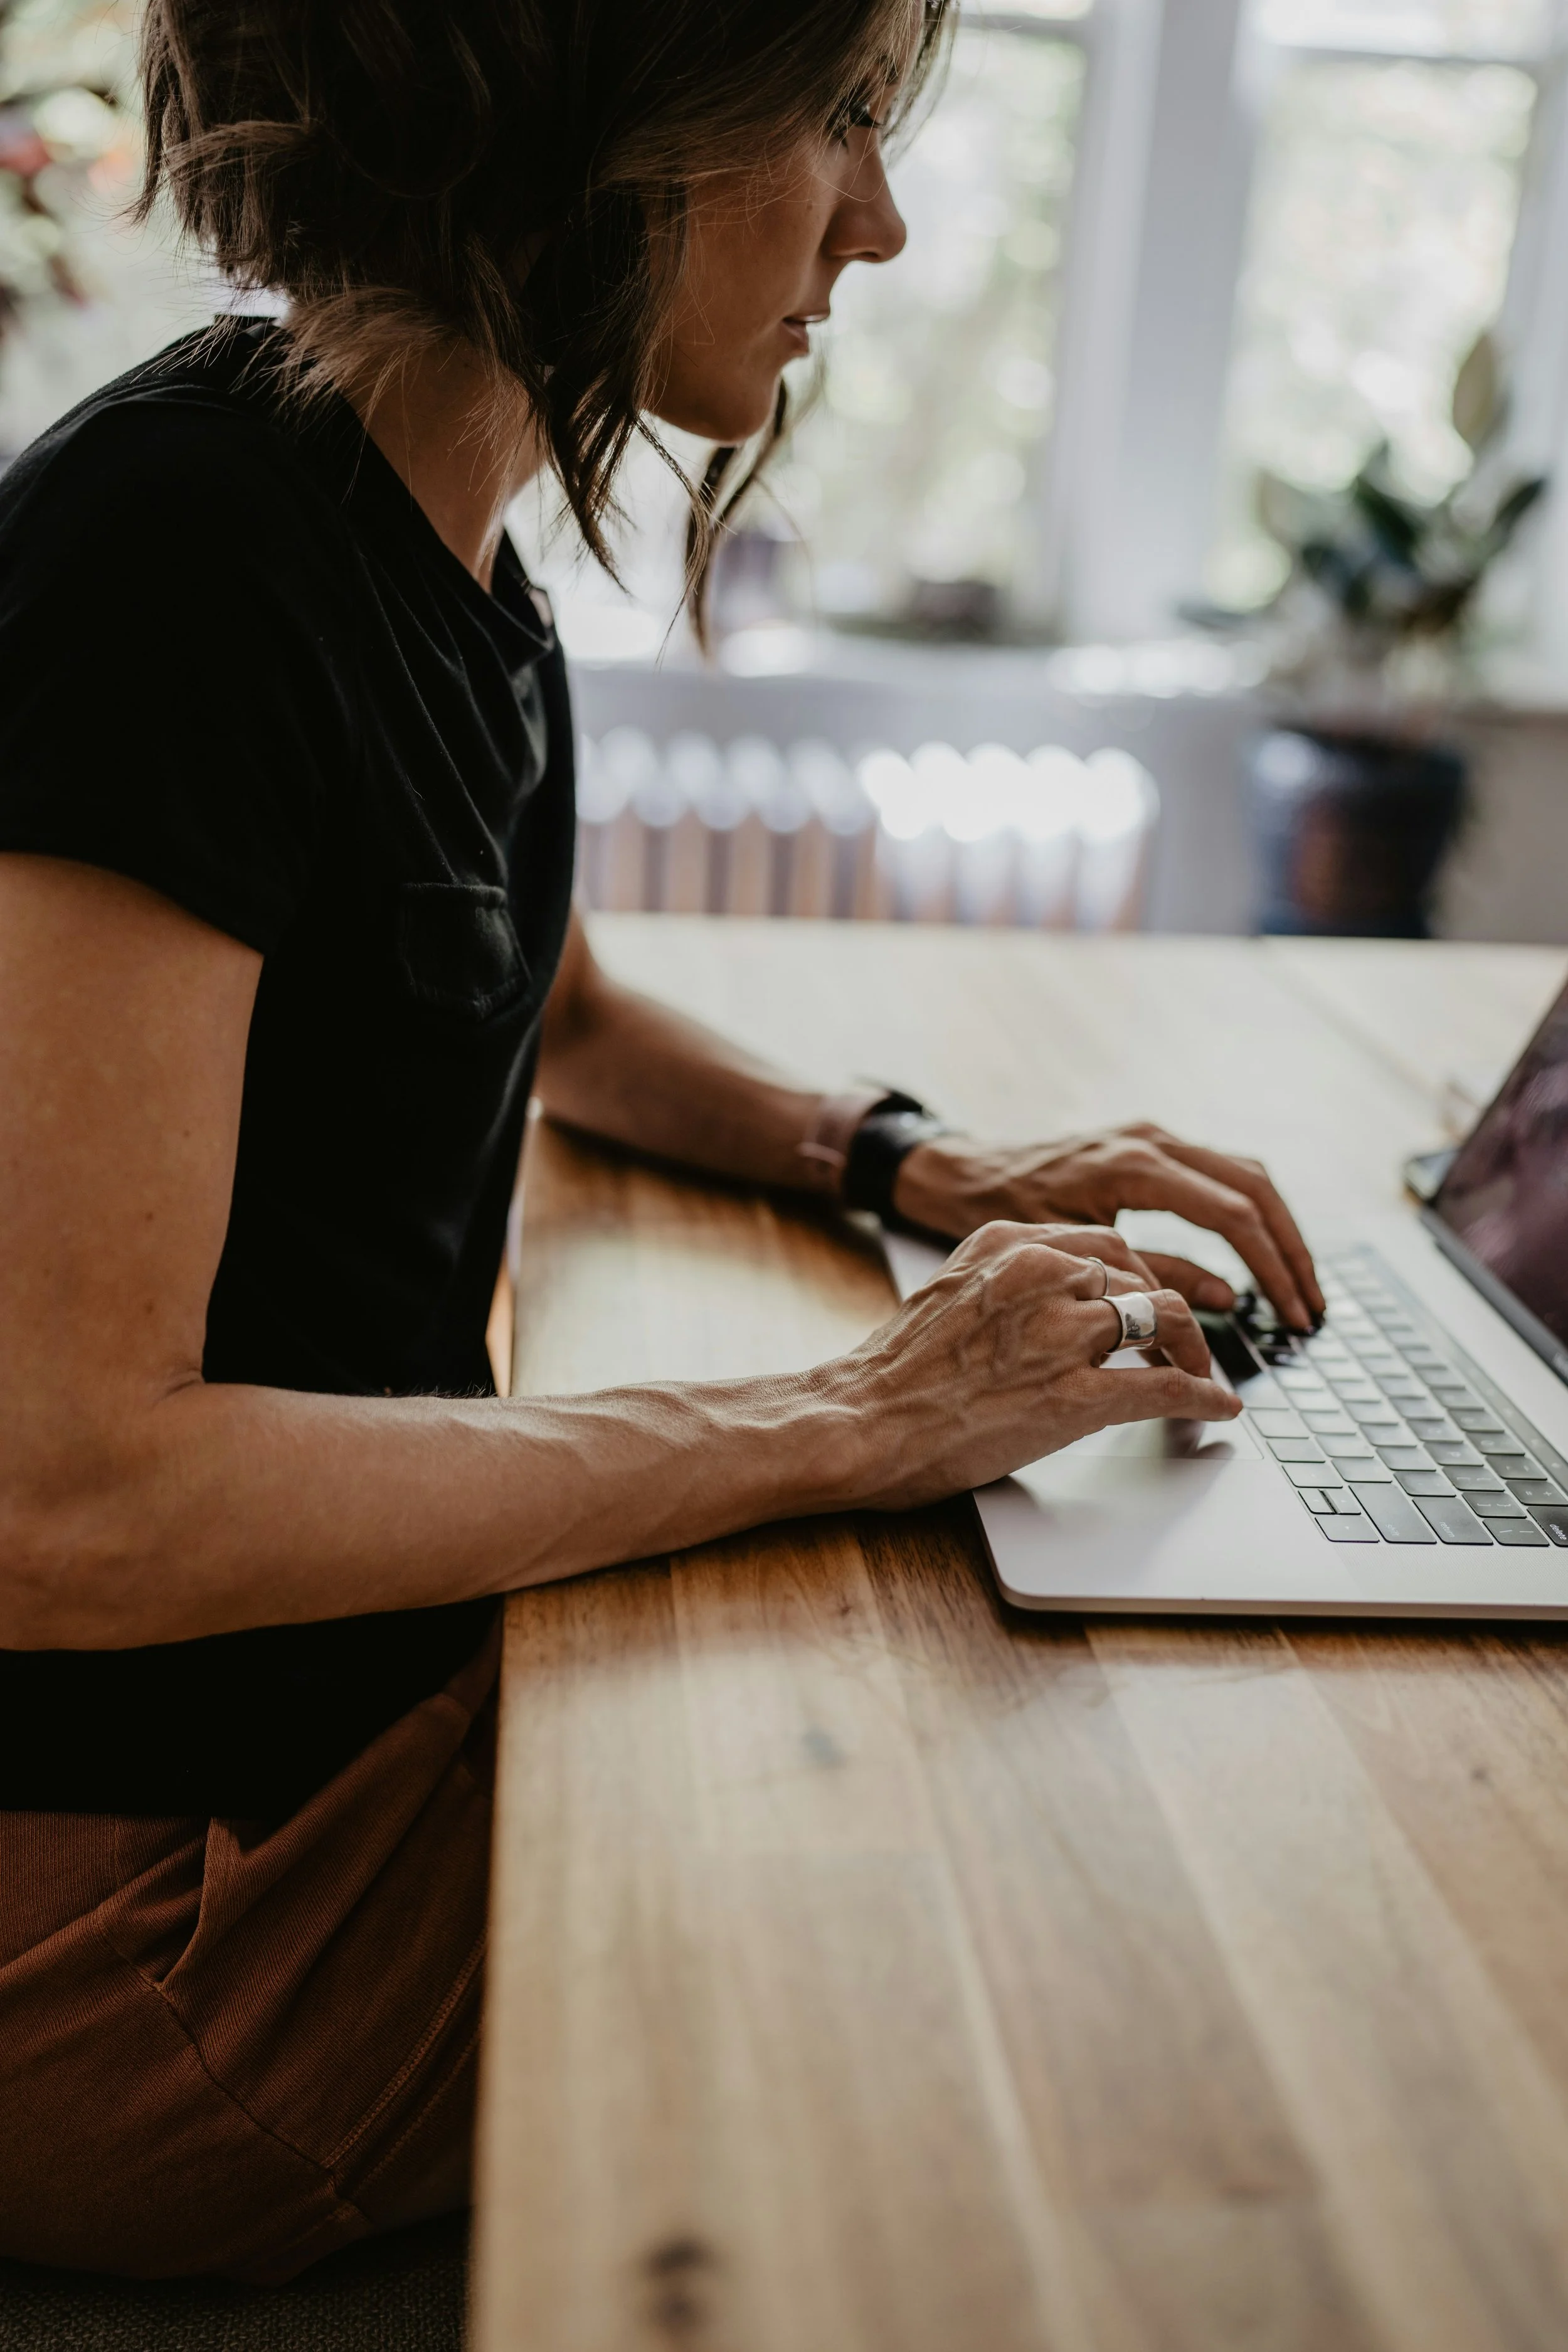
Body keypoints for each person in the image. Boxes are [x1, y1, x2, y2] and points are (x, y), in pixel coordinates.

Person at [0, 0, 1323, 2285]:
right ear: (596, 103)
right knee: (1049, 1883)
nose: (880, 224)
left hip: (325, 1750)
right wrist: (842, 1408)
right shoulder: (175, 557)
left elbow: (563, 1014)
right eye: (837, 118)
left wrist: (909, 1158)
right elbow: (62, 1501)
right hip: (144, 1942)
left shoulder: (437, 543)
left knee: (986, 1673)